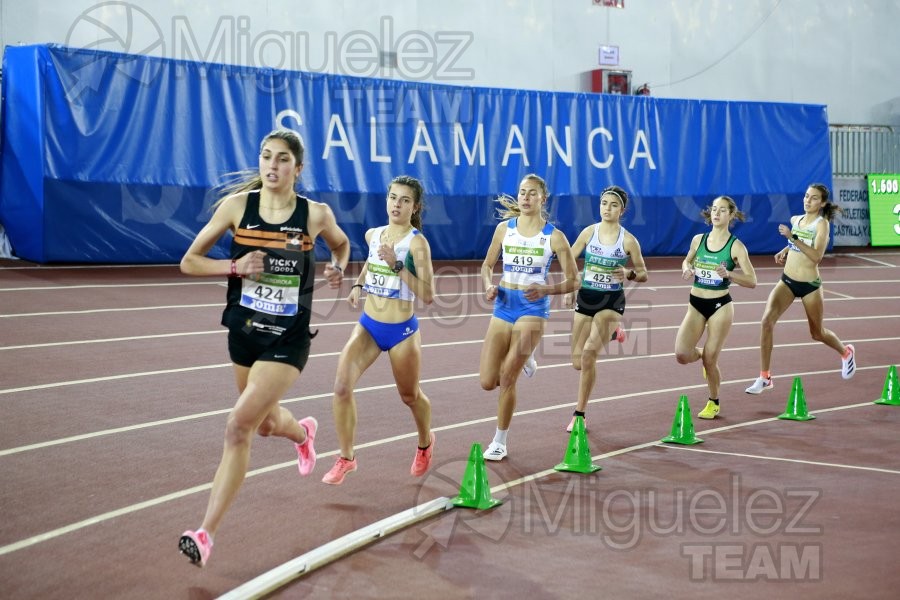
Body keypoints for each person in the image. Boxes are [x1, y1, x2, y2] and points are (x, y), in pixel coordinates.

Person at [177, 129, 350, 567]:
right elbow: (189, 261)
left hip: (287, 339)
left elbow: (342, 245)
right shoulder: (238, 208)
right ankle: (302, 432)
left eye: (282, 160)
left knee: (239, 426)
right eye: (266, 157)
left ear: (298, 168)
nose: (272, 166)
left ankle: (205, 534)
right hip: (243, 331)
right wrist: (234, 265)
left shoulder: (314, 214)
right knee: (269, 423)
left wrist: (338, 270)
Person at [322, 175, 436, 484]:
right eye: (393, 198)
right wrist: (358, 284)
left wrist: (398, 266)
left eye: (405, 200)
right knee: (342, 387)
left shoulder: (416, 243)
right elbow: (372, 264)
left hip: (401, 333)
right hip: (369, 327)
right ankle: (346, 457)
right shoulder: (374, 234)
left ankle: (425, 442)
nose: (397, 205)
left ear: (415, 207)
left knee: (410, 397)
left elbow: (428, 294)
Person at [479, 174, 579, 461]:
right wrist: (488, 285)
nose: (525, 197)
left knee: (507, 376)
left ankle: (500, 440)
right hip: (504, 303)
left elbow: (574, 281)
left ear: (542, 199)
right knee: (488, 381)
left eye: (532, 193)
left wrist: (547, 288)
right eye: (522, 192)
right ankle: (528, 356)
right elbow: (487, 265)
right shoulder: (503, 229)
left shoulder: (554, 237)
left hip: (532, 308)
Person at [745, 183, 856, 394]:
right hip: (787, 280)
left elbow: (816, 257)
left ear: (822, 203)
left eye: (814, 198)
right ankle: (765, 377)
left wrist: (791, 238)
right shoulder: (796, 220)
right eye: (806, 196)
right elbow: (798, 242)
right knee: (767, 321)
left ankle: (846, 352)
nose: (808, 200)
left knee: (817, 333)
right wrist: (785, 249)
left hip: (809, 286)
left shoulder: (822, 225)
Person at [564, 186, 648, 432]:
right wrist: (570, 288)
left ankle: (579, 413)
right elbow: (569, 259)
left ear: (621, 210)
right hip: (587, 296)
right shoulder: (589, 233)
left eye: (613, 205)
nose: (607, 208)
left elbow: (643, 273)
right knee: (577, 362)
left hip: (611, 301)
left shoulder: (629, 240)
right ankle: (613, 333)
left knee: (589, 354)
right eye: (603, 203)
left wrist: (629, 273)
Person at [675, 196, 757, 419]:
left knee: (711, 359)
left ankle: (713, 401)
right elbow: (687, 261)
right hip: (696, 303)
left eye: (722, 210)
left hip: (720, 305)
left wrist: (729, 274)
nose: (716, 213)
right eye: (714, 209)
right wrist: (686, 269)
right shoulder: (698, 240)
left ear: (731, 215)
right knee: (682, 354)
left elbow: (752, 281)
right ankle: (703, 355)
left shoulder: (736, 246)